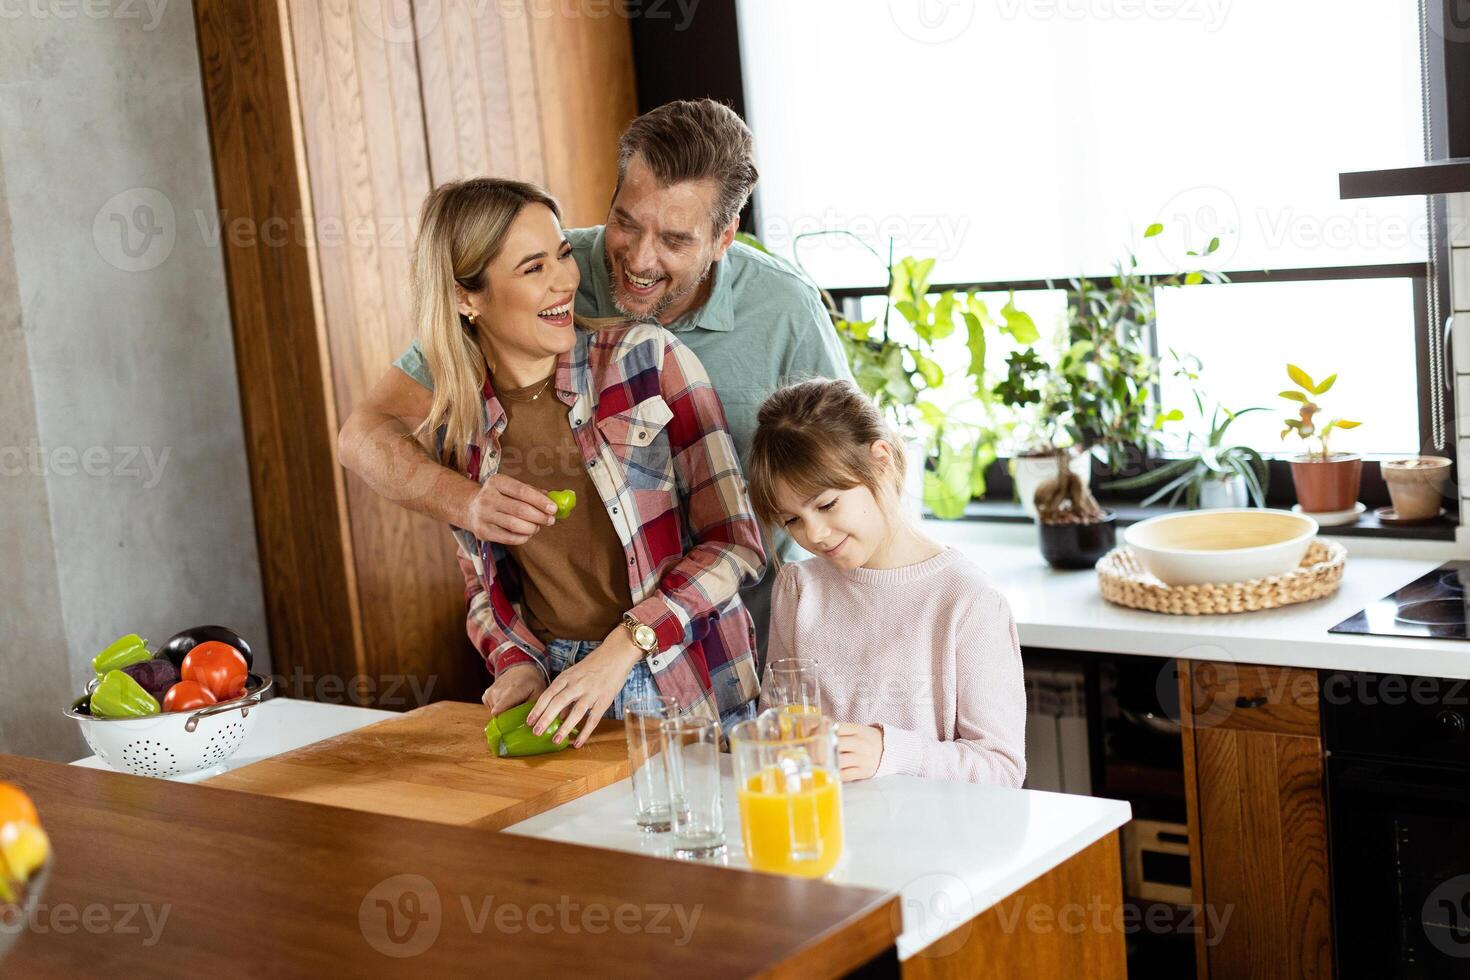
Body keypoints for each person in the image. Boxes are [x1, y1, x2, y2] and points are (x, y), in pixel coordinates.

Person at [337, 99, 851, 654]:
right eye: (626, 222)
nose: (639, 260)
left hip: (753, 637)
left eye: (675, 240)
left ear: (725, 237)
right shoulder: (549, 278)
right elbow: (365, 435)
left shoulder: (784, 309)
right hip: (574, 656)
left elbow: (851, 483)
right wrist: (466, 503)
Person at [408, 176, 764, 742]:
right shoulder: (454, 428)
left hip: (684, 671)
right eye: (533, 268)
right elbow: (482, 584)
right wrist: (514, 659)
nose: (565, 281)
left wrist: (627, 644)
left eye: (564, 255)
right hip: (560, 684)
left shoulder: (646, 360)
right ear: (465, 297)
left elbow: (737, 544)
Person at [747, 379, 1026, 785]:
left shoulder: (968, 601)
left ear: (882, 460)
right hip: (829, 835)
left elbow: (1002, 769)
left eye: (827, 504)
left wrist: (889, 751)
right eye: (792, 520)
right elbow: (777, 729)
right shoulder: (798, 589)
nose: (815, 534)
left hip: (932, 841)